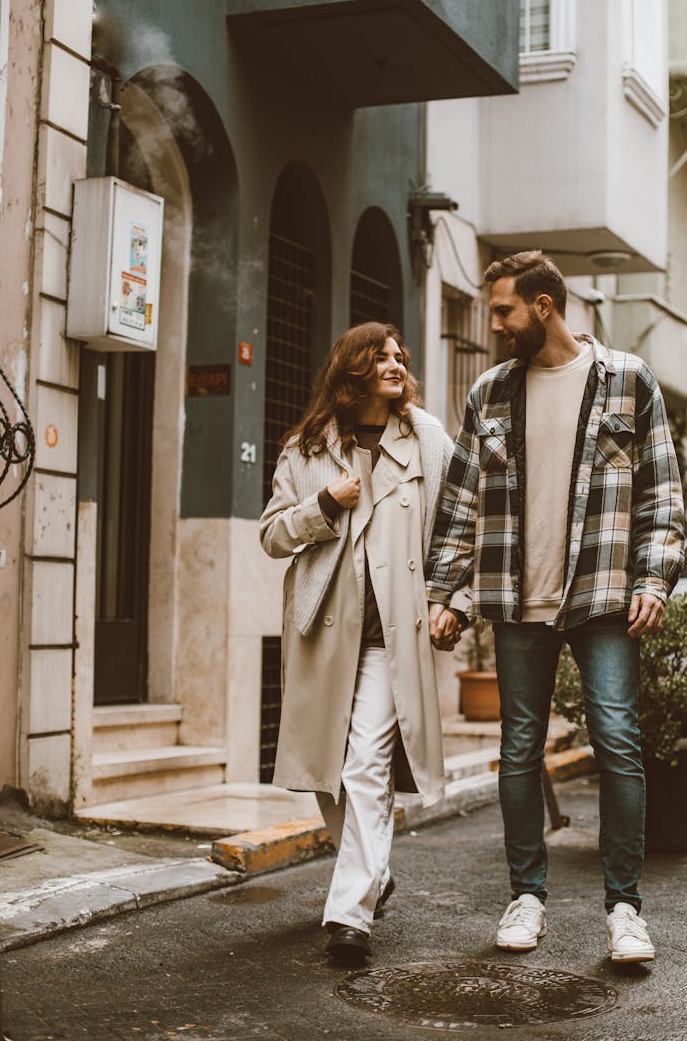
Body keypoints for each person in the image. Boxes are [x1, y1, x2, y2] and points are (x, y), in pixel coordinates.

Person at [426, 251, 684, 964]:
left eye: (504, 311)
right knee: (518, 746)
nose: (496, 325)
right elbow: (459, 503)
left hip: (601, 594)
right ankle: (526, 895)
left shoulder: (628, 381)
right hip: (515, 599)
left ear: (543, 306)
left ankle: (625, 908)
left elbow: (662, 493)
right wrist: (447, 594)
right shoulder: (489, 393)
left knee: (618, 742)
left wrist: (653, 578)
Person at [260, 322, 468, 965]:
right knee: (329, 776)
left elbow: (461, 527)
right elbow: (271, 536)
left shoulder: (427, 438)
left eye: (400, 355)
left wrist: (454, 601)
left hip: (390, 640)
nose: (395, 363)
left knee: (363, 766)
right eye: (380, 355)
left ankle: (351, 915)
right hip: (322, 633)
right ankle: (373, 872)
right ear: (351, 368)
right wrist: (322, 503)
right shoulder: (307, 447)